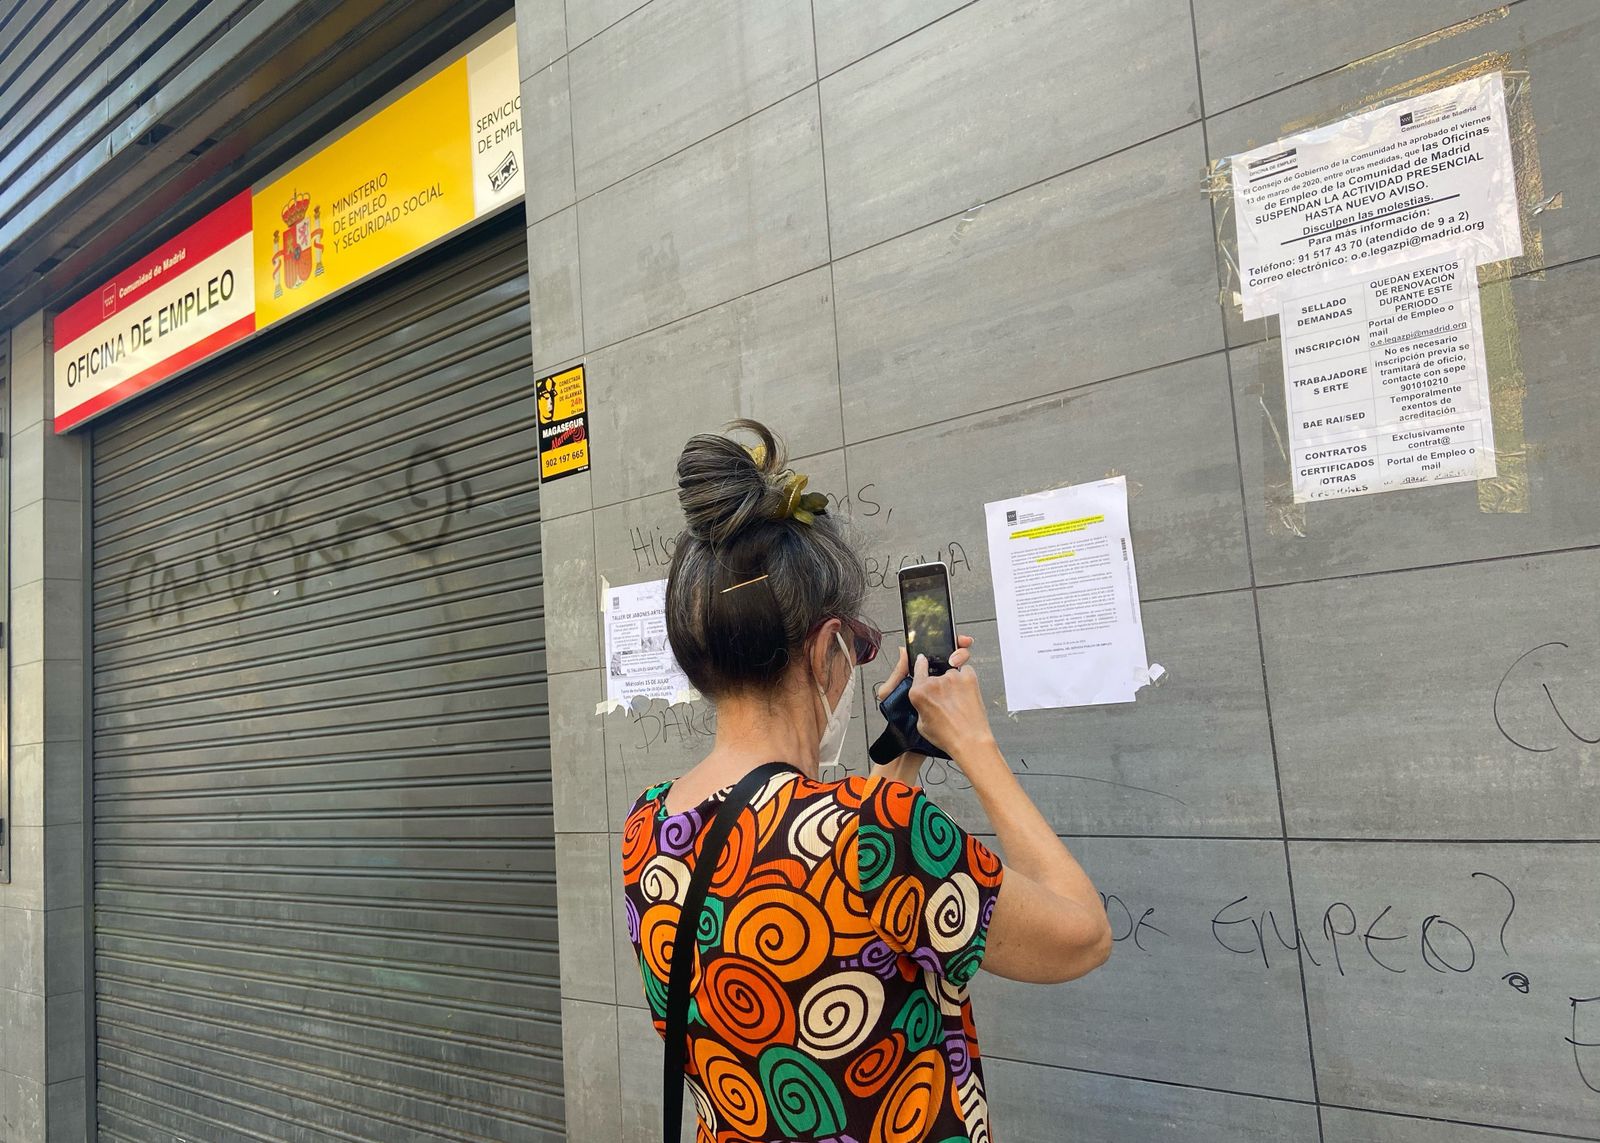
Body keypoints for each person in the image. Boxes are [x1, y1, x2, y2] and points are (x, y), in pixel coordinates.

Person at [621, 421, 1112, 1143]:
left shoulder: (648, 828)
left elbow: (837, 892)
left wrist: (902, 756)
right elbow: (1083, 934)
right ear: (826, 650)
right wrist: (973, 742)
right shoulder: (878, 830)